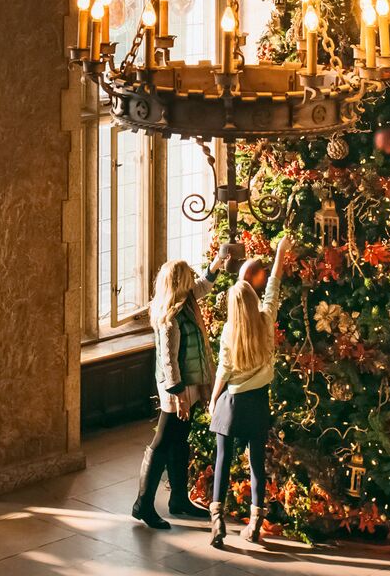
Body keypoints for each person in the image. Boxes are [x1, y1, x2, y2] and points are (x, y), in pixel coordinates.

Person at [207, 233, 293, 547]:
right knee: (257, 463)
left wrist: (214, 399)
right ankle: (255, 523)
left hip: (231, 402)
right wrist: (281, 252)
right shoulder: (266, 320)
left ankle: (217, 524)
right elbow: (274, 285)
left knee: (222, 461)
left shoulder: (230, 330)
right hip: (258, 402)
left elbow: (223, 370)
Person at [131, 259, 213, 529]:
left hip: (187, 385)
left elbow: (204, 286)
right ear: (179, 283)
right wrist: (178, 395)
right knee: (163, 442)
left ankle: (179, 498)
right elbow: (169, 360)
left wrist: (218, 264)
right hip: (175, 388)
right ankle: (143, 503)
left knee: (180, 440)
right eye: (188, 277)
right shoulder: (169, 317)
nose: (193, 280)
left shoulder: (186, 301)